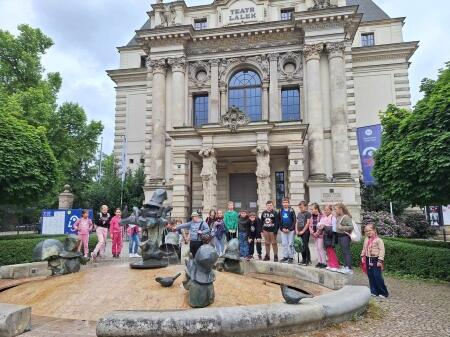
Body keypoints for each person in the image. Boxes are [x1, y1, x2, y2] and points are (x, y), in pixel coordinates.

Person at [361, 224, 389, 298]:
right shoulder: (366, 239)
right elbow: (364, 248)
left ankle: (383, 292)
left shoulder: (378, 240)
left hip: (375, 259)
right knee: (370, 275)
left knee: (377, 276)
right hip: (368, 259)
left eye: (370, 230)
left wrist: (380, 260)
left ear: (374, 230)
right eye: (366, 231)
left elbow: (382, 250)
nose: (368, 232)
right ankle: (374, 291)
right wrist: (362, 255)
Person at [335, 203, 354, 274]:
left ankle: (349, 268)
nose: (335, 210)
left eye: (336, 209)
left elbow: (351, 227)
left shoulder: (346, 217)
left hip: (345, 237)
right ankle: (345, 266)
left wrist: (341, 227)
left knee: (347, 252)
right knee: (343, 252)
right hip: (340, 236)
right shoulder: (338, 216)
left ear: (340, 209)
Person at [277, 197, 296, 263]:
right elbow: (278, 221)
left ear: (288, 203)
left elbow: (294, 221)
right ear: (282, 203)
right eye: (284, 202)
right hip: (283, 230)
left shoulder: (291, 210)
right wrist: (282, 228)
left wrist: (290, 229)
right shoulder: (280, 211)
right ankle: (285, 256)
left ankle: (291, 257)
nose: (285, 204)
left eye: (286, 202)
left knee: (290, 243)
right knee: (284, 243)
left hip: (290, 230)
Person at [322, 205, 339, 271]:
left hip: (331, 236)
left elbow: (334, 229)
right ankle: (330, 264)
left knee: (331, 251)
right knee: (328, 251)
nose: (326, 211)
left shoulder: (333, 217)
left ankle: (335, 265)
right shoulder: (324, 217)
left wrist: (325, 227)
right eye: (325, 210)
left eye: (328, 210)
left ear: (331, 210)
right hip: (326, 235)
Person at [310, 203, 326, 268]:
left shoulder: (322, 216)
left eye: (312, 209)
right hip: (314, 235)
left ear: (316, 209)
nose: (311, 210)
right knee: (317, 248)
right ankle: (319, 262)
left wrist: (316, 233)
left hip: (320, 235)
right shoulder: (311, 216)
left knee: (320, 248)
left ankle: (324, 262)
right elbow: (310, 225)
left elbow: (321, 226)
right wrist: (312, 232)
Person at [296, 201, 311, 266]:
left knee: (305, 245)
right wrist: (296, 230)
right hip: (299, 231)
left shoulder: (308, 213)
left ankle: (308, 259)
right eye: (300, 208)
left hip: (305, 232)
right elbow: (297, 222)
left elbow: (308, 223)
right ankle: (303, 259)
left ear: (306, 207)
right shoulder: (299, 214)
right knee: (300, 246)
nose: (301, 209)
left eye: (302, 207)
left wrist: (303, 231)